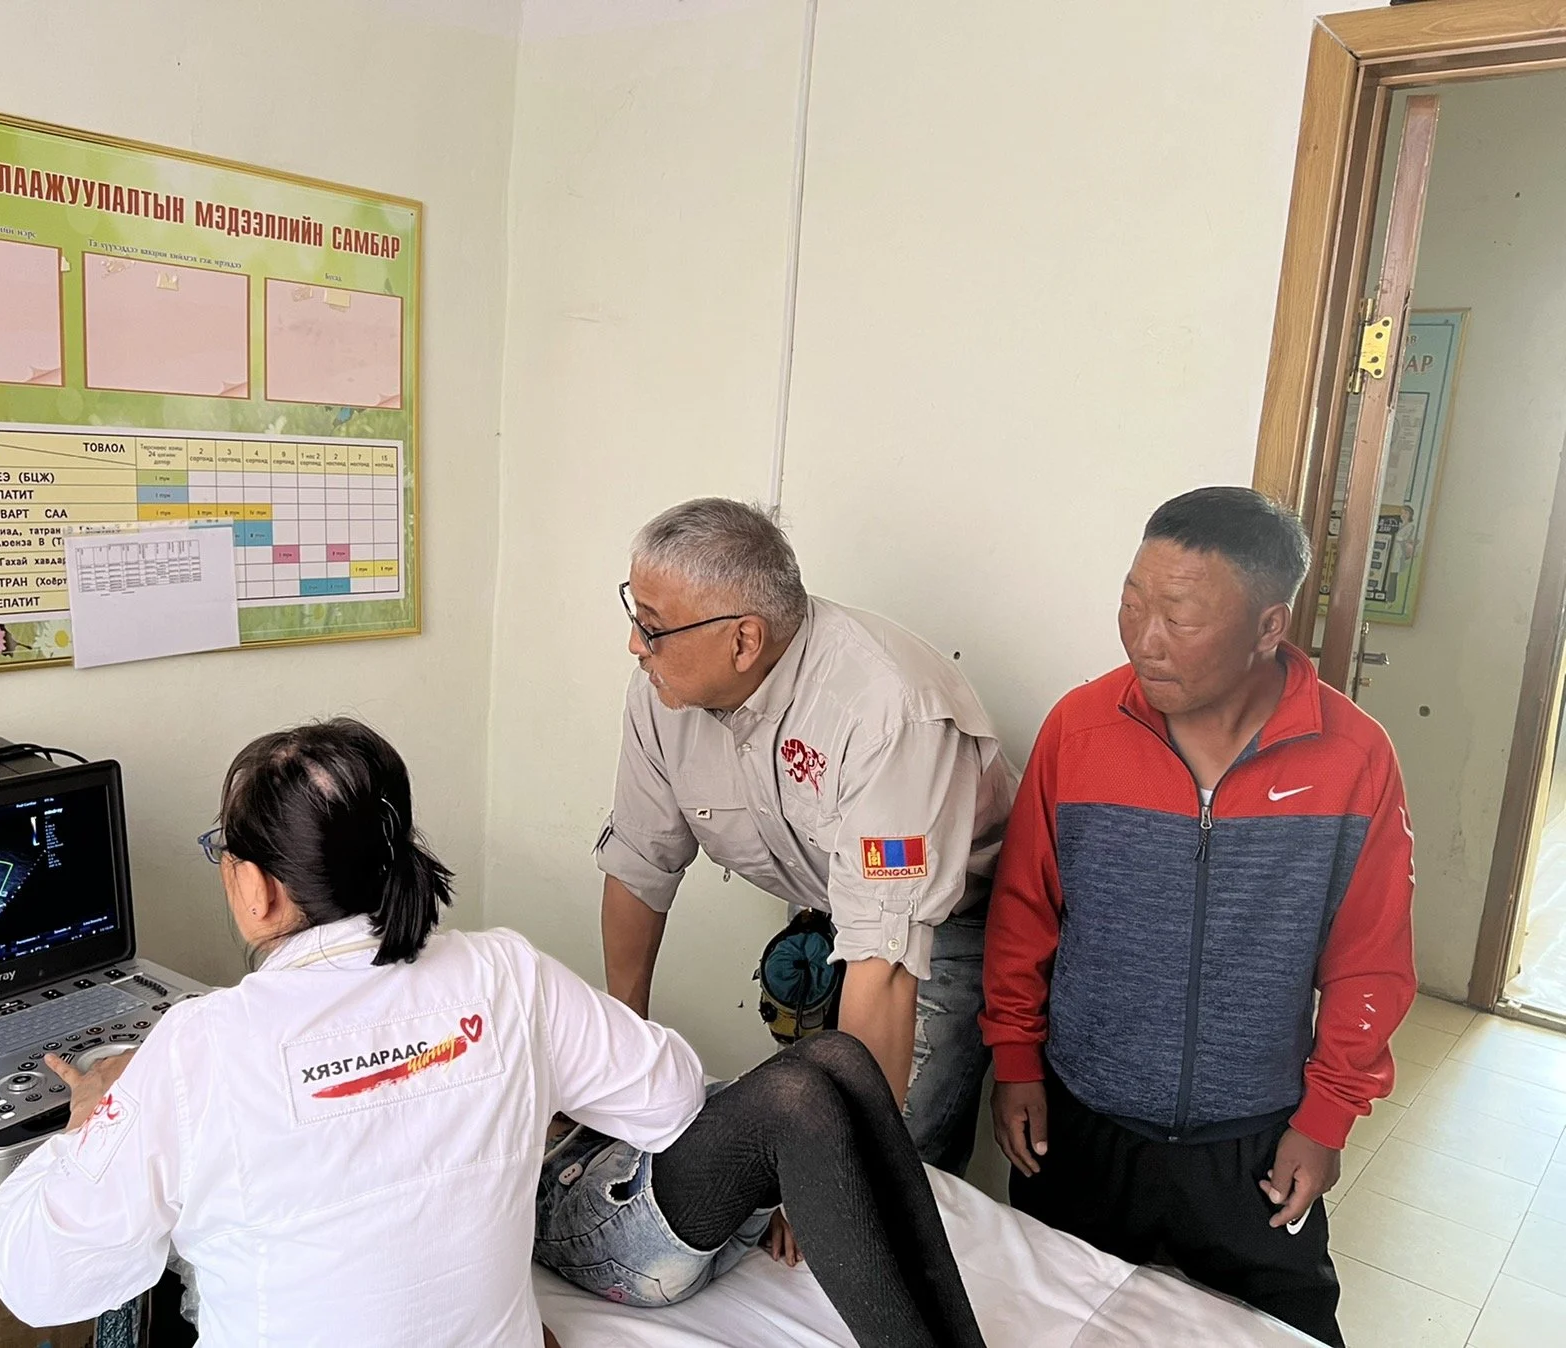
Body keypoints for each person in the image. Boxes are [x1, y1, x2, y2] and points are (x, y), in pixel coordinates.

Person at [0, 718, 707, 1347]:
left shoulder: (201, 1047)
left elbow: (40, 1284)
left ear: (257, 889)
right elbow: (673, 1096)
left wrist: (90, 1123)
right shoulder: (507, 974)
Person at [980, 486, 1417, 1347]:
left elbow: (1370, 961)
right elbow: (1024, 910)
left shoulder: (1353, 757)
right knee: (1047, 1328)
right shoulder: (1081, 729)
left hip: (1253, 1141)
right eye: (1131, 603)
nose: (1143, 639)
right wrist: (1016, 1060)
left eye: (1177, 617)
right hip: (1083, 1119)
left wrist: (1325, 1117)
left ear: (1267, 627)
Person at [598, 498, 1015, 1175]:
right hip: (832, 904)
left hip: (939, 927)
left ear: (744, 641)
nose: (635, 646)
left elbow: (884, 958)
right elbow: (640, 863)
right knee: (798, 1128)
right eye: (634, 615)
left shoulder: (886, 714)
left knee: (890, 1165)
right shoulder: (661, 691)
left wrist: (841, 1178)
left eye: (653, 627)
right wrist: (622, 1055)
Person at [534, 1030, 987, 1348]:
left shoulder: (520, 986)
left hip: (633, 1153)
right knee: (793, 1099)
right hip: (575, 1200)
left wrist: (754, 1178)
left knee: (839, 1054)